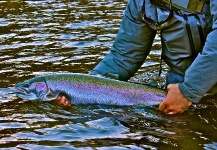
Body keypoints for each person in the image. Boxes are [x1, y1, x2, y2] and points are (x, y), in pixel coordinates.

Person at [56, 0, 217, 115]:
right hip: (176, 86)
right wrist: (82, 89)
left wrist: (188, 91)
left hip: (188, 88)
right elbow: (123, 57)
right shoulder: (140, 3)